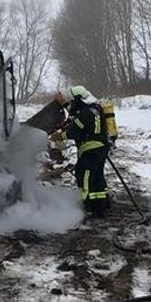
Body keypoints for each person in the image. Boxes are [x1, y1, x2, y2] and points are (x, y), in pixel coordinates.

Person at [53, 85, 114, 218]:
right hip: (102, 147)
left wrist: (58, 136)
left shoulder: (86, 113)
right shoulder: (96, 109)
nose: (70, 107)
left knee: (84, 176)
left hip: (90, 149)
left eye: (71, 103)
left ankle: (86, 206)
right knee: (98, 175)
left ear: (78, 100)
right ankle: (101, 205)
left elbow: (73, 132)